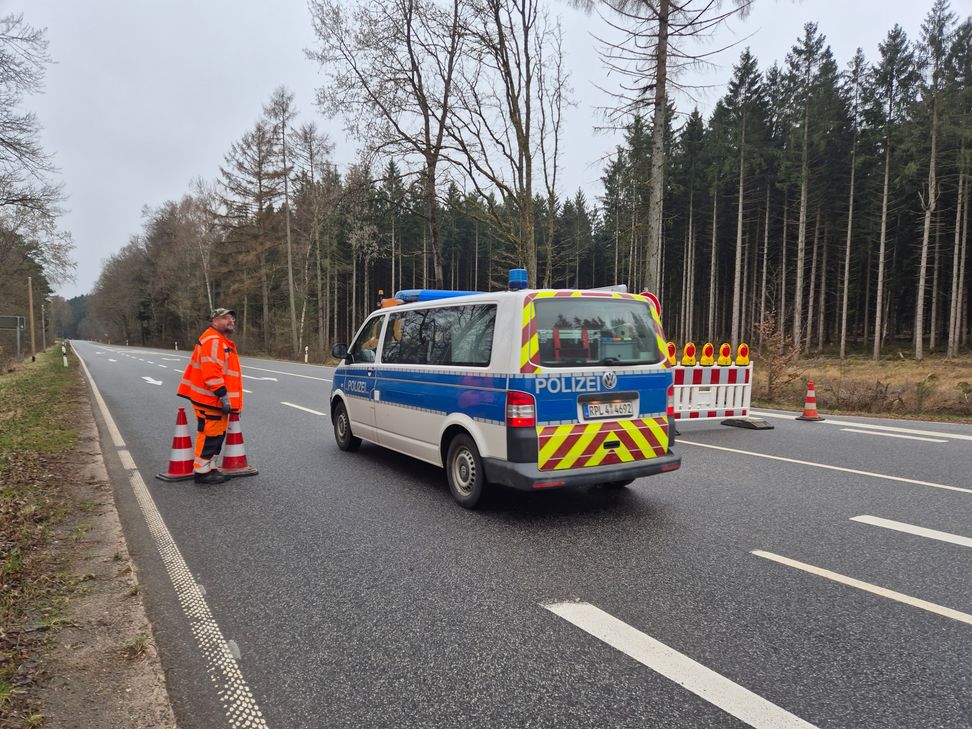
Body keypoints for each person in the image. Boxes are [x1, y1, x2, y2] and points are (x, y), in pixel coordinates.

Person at [177, 308, 243, 484]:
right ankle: (202, 471)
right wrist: (224, 396)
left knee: (217, 435)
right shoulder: (213, 341)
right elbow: (211, 373)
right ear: (214, 321)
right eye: (226, 318)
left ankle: (210, 467)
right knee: (210, 435)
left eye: (232, 318)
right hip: (210, 399)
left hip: (212, 400)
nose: (231, 321)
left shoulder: (220, 340)